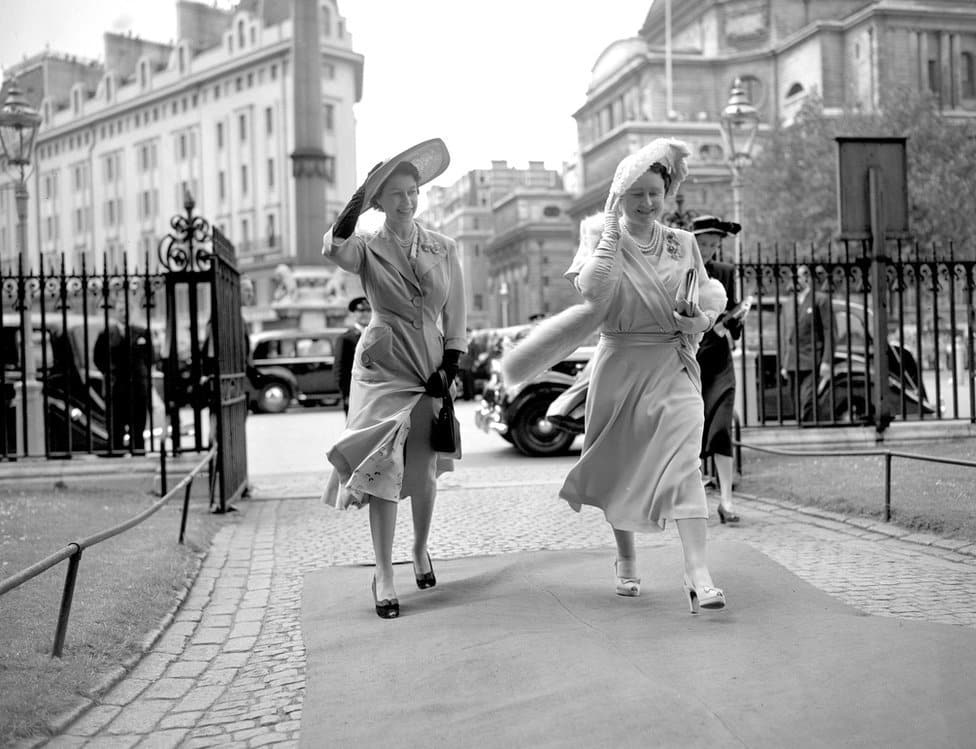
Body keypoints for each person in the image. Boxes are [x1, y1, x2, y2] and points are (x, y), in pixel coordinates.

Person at [502, 138, 729, 613]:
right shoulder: (599, 239)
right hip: (620, 364)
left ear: (666, 193)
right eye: (635, 195)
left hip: (672, 364)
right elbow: (593, 289)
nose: (647, 203)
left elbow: (708, 297)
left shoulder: (682, 242)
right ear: (618, 199)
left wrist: (700, 322)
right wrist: (609, 229)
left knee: (686, 462)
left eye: (654, 193)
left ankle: (698, 571)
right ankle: (626, 556)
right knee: (620, 466)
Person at [320, 138, 465, 620]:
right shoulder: (365, 248)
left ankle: (420, 547)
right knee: (382, 468)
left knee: (422, 470)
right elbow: (334, 248)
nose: (407, 200)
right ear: (379, 202)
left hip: (428, 367)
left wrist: (450, 365)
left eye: (413, 190)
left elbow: (457, 317)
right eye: (396, 193)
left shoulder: (443, 248)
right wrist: (356, 199)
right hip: (382, 368)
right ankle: (384, 571)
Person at [691, 215, 749, 524]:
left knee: (722, 427)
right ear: (693, 242)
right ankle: (691, 499)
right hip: (689, 363)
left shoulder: (726, 272)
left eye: (714, 245)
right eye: (703, 244)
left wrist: (735, 321)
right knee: (691, 431)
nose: (710, 250)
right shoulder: (681, 273)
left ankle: (726, 500)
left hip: (720, 363)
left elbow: (734, 313)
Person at [781, 264, 835, 424]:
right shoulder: (788, 304)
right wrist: (784, 363)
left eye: (801, 276)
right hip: (792, 361)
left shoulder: (820, 300)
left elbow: (829, 332)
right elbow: (785, 334)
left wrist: (826, 361)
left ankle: (809, 431)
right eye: (795, 276)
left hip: (812, 360)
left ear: (808, 278)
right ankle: (802, 431)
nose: (797, 280)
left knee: (807, 401)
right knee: (795, 402)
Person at [94, 320, 153, 454]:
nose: (124, 312)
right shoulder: (106, 333)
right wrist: (110, 372)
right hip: (116, 387)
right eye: (120, 308)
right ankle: (116, 454)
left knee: (138, 429)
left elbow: (150, 357)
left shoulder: (141, 331)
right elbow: (98, 358)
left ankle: (138, 454)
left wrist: (142, 372)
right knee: (116, 429)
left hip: (137, 387)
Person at [334, 296, 372, 415]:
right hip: (355, 392)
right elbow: (340, 370)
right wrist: (346, 394)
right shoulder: (345, 338)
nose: (365, 314)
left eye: (368, 310)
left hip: (375, 392)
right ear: (354, 314)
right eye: (361, 310)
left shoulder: (378, 335)